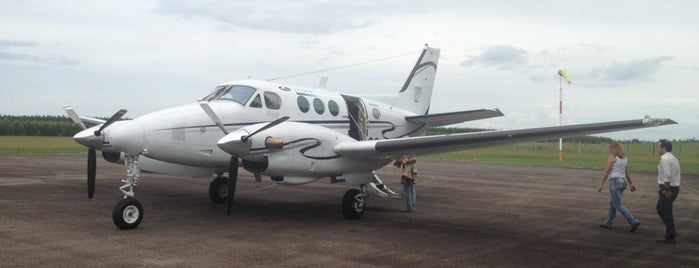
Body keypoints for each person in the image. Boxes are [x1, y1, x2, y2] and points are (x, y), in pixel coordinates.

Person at [597, 141, 641, 232]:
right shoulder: (624, 158)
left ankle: (633, 220)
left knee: (618, 204)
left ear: (612, 148)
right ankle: (608, 222)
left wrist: (601, 184)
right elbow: (627, 172)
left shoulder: (612, 157)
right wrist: (630, 183)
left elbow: (606, 171)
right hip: (623, 181)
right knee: (613, 201)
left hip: (615, 182)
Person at [656, 139, 681, 244]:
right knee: (662, 209)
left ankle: (671, 235)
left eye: (659, 147)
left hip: (667, 188)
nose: (658, 149)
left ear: (664, 148)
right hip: (675, 187)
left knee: (665, 212)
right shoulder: (674, 158)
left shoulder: (665, 159)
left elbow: (667, 175)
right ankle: (671, 230)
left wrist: (666, 190)